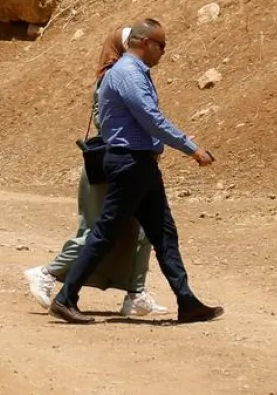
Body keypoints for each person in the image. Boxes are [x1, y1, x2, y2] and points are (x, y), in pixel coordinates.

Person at [49, 19, 225, 325]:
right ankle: (65, 298)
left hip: (142, 165)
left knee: (164, 234)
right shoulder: (128, 74)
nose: (164, 53)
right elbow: (151, 119)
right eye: (162, 46)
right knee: (105, 233)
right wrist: (191, 148)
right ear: (145, 43)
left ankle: (187, 301)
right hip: (129, 163)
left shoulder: (133, 73)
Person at [23, 25, 169, 317]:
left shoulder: (133, 77)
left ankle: (135, 294)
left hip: (132, 164)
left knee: (140, 231)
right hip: (112, 165)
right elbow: (109, 123)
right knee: (102, 231)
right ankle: (47, 273)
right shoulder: (111, 81)